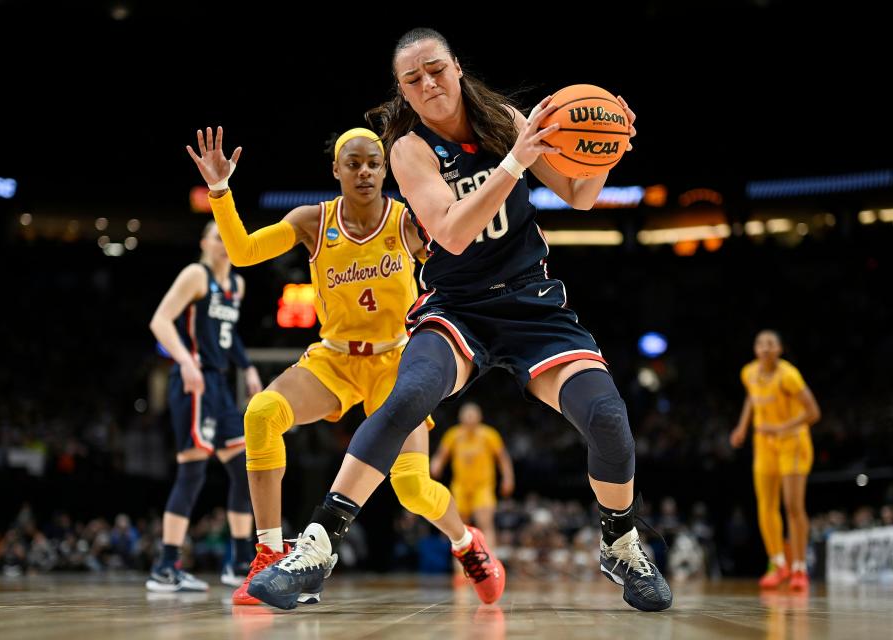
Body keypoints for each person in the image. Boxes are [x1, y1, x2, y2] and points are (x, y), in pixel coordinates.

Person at [252, 27, 673, 612]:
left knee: (606, 414)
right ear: (402, 90)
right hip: (460, 306)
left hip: (532, 304)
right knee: (407, 397)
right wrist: (515, 161)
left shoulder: (504, 116)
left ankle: (621, 542)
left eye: (436, 70)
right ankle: (318, 547)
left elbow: (578, 194)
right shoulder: (407, 148)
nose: (428, 84)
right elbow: (449, 233)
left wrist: (611, 145)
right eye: (412, 78)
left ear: (456, 68)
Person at [186, 125, 505, 606]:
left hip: (398, 362)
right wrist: (219, 190)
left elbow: (461, 257)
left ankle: (466, 542)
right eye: (353, 164)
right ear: (336, 169)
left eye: (374, 164)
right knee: (260, 414)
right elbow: (242, 252)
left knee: (414, 488)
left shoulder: (406, 222)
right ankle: (271, 554)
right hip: (335, 358)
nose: (365, 172)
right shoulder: (313, 221)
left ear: (385, 169)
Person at [146, 222, 262, 592]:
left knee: (244, 471)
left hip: (221, 387)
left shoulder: (237, 285)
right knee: (192, 472)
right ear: (204, 243)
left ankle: (239, 561)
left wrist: (248, 367)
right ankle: (165, 566)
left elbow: (229, 335)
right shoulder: (196, 275)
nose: (224, 242)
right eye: (217, 236)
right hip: (194, 382)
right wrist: (185, 361)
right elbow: (160, 321)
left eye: (228, 236)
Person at [730, 330, 820, 591]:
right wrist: (742, 427)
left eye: (771, 344)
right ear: (755, 349)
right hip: (764, 444)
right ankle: (777, 563)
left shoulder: (788, 375)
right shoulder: (749, 372)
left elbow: (813, 412)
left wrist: (781, 428)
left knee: (792, 505)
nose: (765, 348)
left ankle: (799, 568)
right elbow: (752, 397)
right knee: (766, 505)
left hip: (792, 442)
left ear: (780, 349)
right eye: (760, 344)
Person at [430, 402, 514, 546]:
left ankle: (488, 563)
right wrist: (436, 464)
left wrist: (508, 477)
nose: (469, 419)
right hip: (460, 487)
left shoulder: (489, 435)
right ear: (460, 418)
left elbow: (503, 458)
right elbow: (441, 454)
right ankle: (461, 566)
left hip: (483, 487)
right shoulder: (453, 435)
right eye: (466, 416)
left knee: (485, 523)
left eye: (472, 416)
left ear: (479, 417)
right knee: (459, 528)